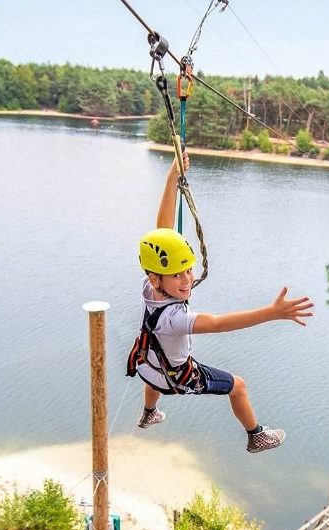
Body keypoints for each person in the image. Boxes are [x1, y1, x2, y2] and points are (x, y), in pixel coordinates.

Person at [127, 155, 313, 453]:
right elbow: (220, 323)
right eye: (177, 275)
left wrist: (172, 176)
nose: (187, 280)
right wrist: (272, 312)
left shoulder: (149, 286)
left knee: (156, 369)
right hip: (177, 378)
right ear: (157, 277)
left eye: (188, 270)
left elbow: (162, 229)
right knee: (237, 386)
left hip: (148, 365)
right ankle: (256, 436)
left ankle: (149, 413)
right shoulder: (175, 316)